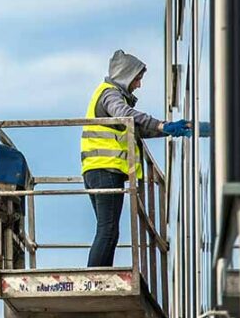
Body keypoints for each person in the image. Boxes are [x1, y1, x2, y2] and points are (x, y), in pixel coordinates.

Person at [81, 50, 193, 268]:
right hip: (105, 169)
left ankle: (99, 274)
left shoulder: (109, 94)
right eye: (137, 79)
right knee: (108, 228)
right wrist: (161, 125)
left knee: (107, 228)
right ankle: (97, 277)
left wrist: (168, 129)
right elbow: (124, 113)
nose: (139, 85)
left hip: (98, 170)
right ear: (126, 76)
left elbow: (138, 128)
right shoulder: (111, 94)